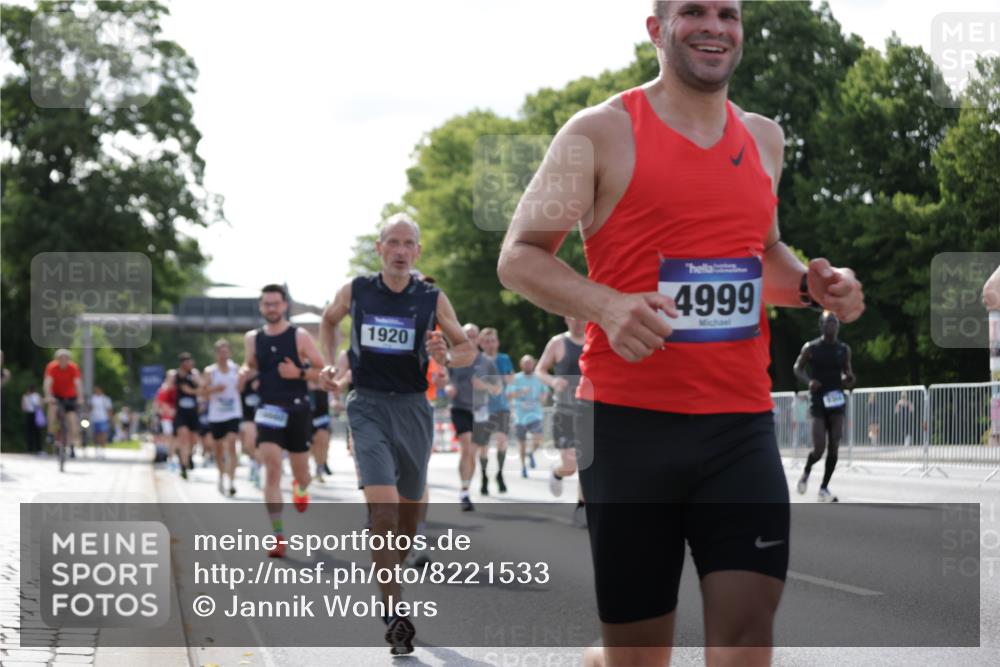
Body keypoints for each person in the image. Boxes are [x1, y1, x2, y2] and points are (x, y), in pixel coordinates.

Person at [496, 2, 865, 664]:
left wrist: (814, 284)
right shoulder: (598, 132)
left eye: (728, 13)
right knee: (640, 655)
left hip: (739, 427)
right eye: (693, 10)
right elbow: (518, 255)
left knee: (747, 636)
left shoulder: (764, 137)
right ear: (655, 29)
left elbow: (765, 254)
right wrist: (606, 304)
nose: (714, 26)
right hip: (627, 428)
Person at [319, 214, 474, 656]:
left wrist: (448, 354)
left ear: (418, 252)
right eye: (394, 243)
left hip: (413, 410)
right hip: (367, 405)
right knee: (383, 515)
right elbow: (329, 322)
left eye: (409, 244)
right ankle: (394, 613)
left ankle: (390, 569)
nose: (402, 251)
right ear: (380, 248)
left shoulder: (432, 297)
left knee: (406, 522)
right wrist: (329, 364)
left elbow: (464, 348)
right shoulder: (357, 290)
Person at [244, 284, 326, 557]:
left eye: (276, 304)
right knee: (273, 469)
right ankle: (278, 536)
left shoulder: (299, 336)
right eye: (267, 304)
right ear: (260, 306)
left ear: (284, 305)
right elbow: (251, 364)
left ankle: (300, 487)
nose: (271, 308)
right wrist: (244, 373)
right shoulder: (253, 338)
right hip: (268, 411)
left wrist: (299, 373)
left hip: (297, 410)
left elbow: (321, 370)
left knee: (302, 473)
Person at [793, 311, 855, 502]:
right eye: (828, 322)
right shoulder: (811, 348)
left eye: (835, 323)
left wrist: (849, 379)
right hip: (818, 400)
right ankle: (806, 471)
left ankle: (824, 488)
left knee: (835, 445)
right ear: (821, 325)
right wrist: (809, 381)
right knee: (819, 448)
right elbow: (797, 368)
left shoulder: (844, 349)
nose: (832, 326)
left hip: (836, 399)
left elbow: (848, 375)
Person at [536, 316, 588, 526]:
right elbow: (540, 370)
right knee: (571, 464)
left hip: (588, 410)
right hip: (564, 411)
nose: (579, 322)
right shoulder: (558, 342)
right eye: (574, 318)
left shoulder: (593, 341)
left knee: (586, 461)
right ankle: (558, 472)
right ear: (566, 319)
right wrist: (553, 380)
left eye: (582, 317)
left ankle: (581, 507)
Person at [446, 323, 500, 510]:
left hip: (480, 410)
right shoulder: (453, 359)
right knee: (467, 448)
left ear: (478, 339)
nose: (470, 338)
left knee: (473, 452)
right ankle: (465, 491)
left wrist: (484, 386)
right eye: (466, 335)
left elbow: (497, 388)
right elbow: (445, 380)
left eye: (473, 335)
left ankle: (466, 488)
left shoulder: (487, 362)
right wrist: (448, 388)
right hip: (459, 408)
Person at [476, 327, 515, 494]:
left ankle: (499, 474)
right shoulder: (477, 360)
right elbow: (474, 383)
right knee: (483, 446)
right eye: (486, 341)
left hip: (502, 407)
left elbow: (511, 379)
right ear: (481, 343)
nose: (490, 344)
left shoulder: (504, 359)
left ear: (497, 342)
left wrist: (506, 378)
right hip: (483, 408)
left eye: (493, 341)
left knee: (502, 440)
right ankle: (484, 477)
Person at [204, 339, 242, 496]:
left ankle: (232, 481)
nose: (223, 355)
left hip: (233, 412)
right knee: (218, 449)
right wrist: (214, 389)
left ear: (230, 353)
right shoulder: (210, 371)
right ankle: (221, 475)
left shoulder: (236, 369)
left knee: (232, 443)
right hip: (216, 414)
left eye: (226, 352)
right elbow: (203, 392)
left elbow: (242, 388)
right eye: (220, 352)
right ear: (216, 354)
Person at [506, 355, 547, 478]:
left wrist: (543, 397)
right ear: (521, 364)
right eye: (525, 363)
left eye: (530, 362)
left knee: (538, 440)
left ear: (533, 364)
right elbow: (508, 395)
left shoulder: (539, 378)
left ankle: (531, 453)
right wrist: (521, 392)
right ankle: (523, 467)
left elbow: (544, 391)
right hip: (520, 415)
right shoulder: (516, 379)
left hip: (535, 414)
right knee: (522, 443)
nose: (528, 365)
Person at [43, 349, 83, 458]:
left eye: (66, 359)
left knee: (72, 420)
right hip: (56, 395)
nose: (63, 361)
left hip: (70, 396)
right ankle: (50, 433)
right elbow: (47, 383)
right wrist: (48, 395)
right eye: (61, 359)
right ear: (57, 359)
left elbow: (78, 383)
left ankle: (72, 446)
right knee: (52, 407)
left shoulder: (73, 367)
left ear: (69, 360)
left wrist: (80, 397)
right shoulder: (52, 367)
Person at [173, 353, 200, 479]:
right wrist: (200, 391)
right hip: (181, 412)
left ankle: (188, 456)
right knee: (183, 437)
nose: (190, 364)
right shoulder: (177, 376)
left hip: (193, 413)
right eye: (187, 362)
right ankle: (183, 466)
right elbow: (186, 390)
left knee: (193, 440)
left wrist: (197, 379)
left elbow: (203, 384)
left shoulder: (194, 374)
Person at [238, 369, 262, 487]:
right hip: (246, 415)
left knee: (259, 444)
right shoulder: (243, 374)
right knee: (248, 444)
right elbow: (238, 389)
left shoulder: (264, 373)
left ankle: (257, 470)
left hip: (262, 414)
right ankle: (253, 463)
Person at [88, 386, 114, 455]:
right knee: (96, 434)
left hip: (103, 419)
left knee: (103, 434)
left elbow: (109, 409)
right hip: (94, 419)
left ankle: (103, 449)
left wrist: (110, 419)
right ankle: (97, 448)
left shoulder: (106, 399)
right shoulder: (92, 398)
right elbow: (90, 408)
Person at [21, 384, 44, 454]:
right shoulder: (38, 396)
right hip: (36, 414)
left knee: (29, 433)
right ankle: (39, 449)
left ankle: (29, 449)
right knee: (38, 433)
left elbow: (23, 407)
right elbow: (41, 406)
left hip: (28, 415)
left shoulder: (25, 396)